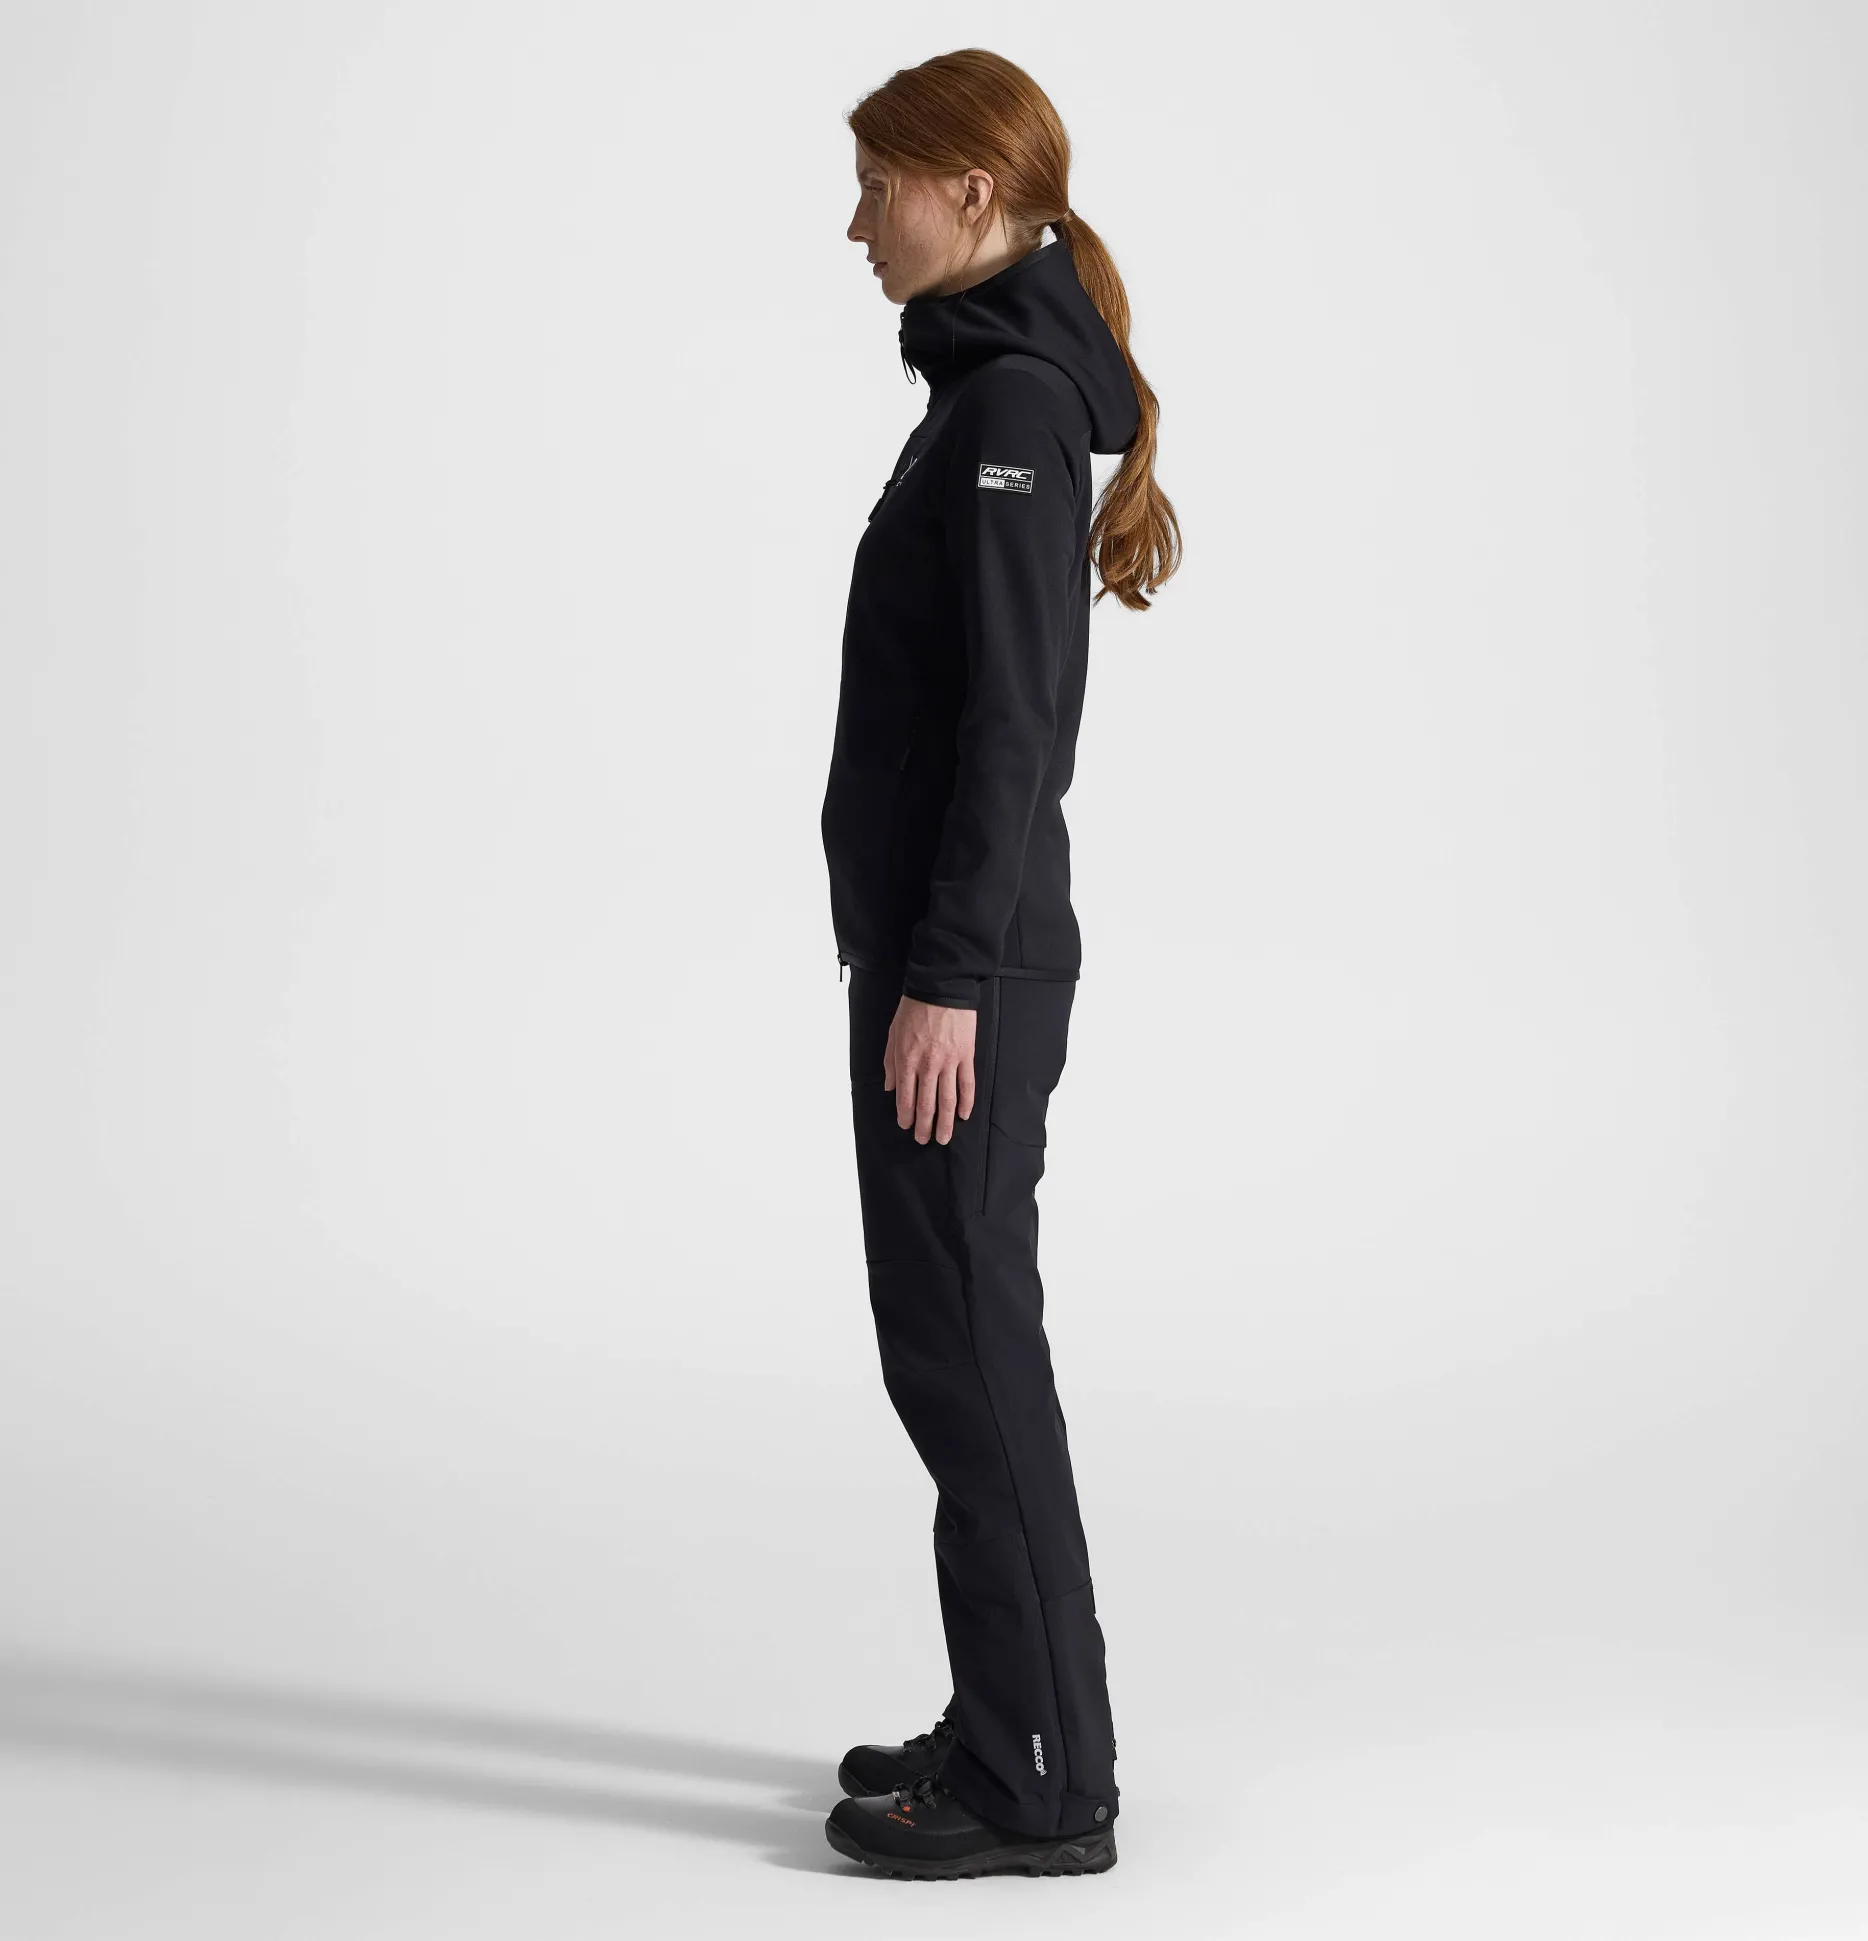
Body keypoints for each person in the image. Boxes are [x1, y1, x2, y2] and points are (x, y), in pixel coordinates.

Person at [819, 48, 1180, 1882]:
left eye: (876, 183)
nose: (855, 223)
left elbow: (1016, 728)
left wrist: (948, 971)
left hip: (966, 980)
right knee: (949, 1350)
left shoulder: (1012, 408)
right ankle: (1008, 1720)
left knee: (970, 1354)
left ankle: (1042, 1784)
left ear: (970, 190)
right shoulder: (984, 398)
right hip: (939, 966)